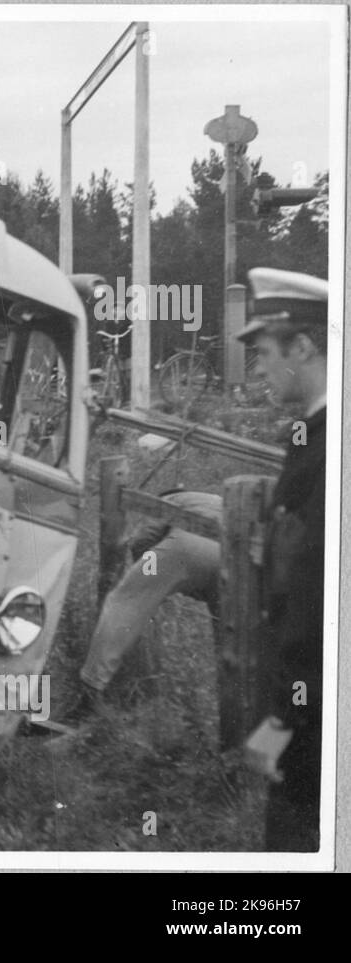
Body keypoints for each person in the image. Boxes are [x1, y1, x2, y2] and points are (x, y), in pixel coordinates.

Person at [239, 267, 327, 853]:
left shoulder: (328, 448)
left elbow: (315, 597)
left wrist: (285, 720)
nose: (258, 368)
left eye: (265, 352)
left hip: (315, 718)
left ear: (303, 346)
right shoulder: (310, 435)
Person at [61, 490, 223, 724]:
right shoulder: (215, 499)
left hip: (186, 546)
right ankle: (228, 718)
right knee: (229, 641)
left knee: (124, 603)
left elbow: (142, 541)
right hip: (232, 559)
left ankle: (90, 693)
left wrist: (149, 582)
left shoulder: (171, 500)